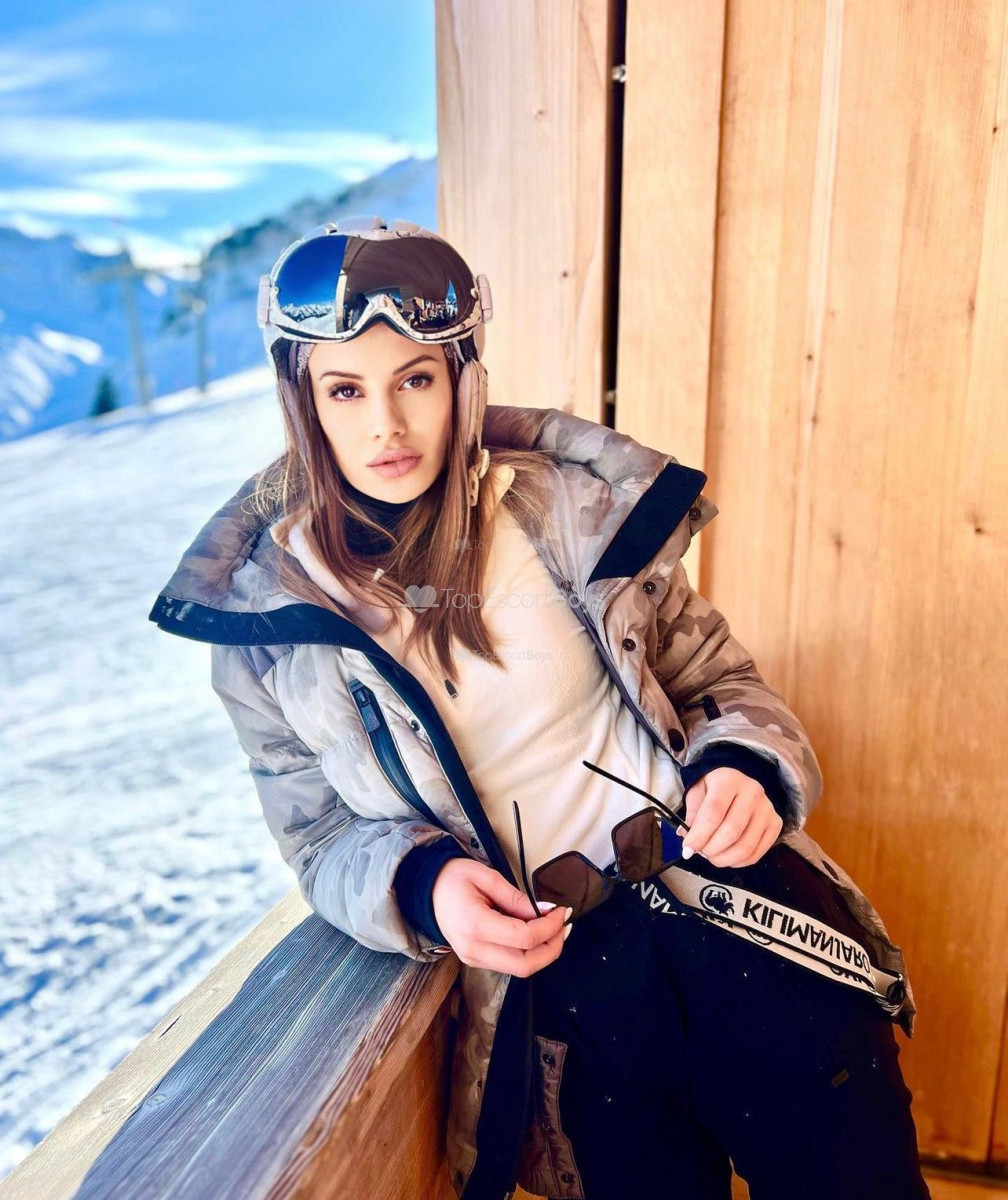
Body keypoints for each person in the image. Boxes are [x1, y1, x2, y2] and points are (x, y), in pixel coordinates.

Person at [150, 215, 931, 1200]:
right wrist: (424, 885)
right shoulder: (268, 624)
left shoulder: (569, 509)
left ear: (462, 376)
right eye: (345, 390)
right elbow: (318, 840)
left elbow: (720, 683)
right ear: (300, 399)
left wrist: (743, 768)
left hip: (737, 911)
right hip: (568, 995)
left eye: (415, 380)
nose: (385, 424)